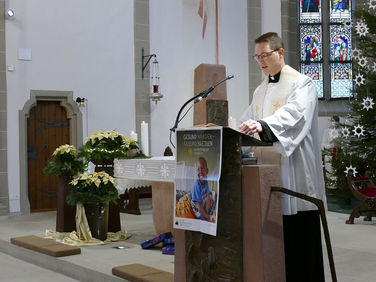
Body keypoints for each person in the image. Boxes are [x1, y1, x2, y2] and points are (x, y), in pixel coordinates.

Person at [239, 32, 326, 282]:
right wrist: (237, 129)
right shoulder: (260, 90)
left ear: (280, 52)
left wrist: (264, 126)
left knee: (300, 237)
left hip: (295, 171)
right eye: (257, 57)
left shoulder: (302, 83)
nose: (261, 62)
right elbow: (249, 119)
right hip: (268, 173)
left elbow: (295, 115)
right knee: (276, 239)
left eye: (265, 55)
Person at [190, 157, 213, 221]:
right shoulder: (197, 184)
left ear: (207, 171)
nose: (200, 172)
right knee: (201, 215)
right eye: (198, 169)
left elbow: (208, 195)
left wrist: (208, 206)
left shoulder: (206, 180)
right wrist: (208, 217)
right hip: (195, 204)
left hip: (201, 199)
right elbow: (199, 207)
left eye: (202, 169)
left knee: (210, 201)